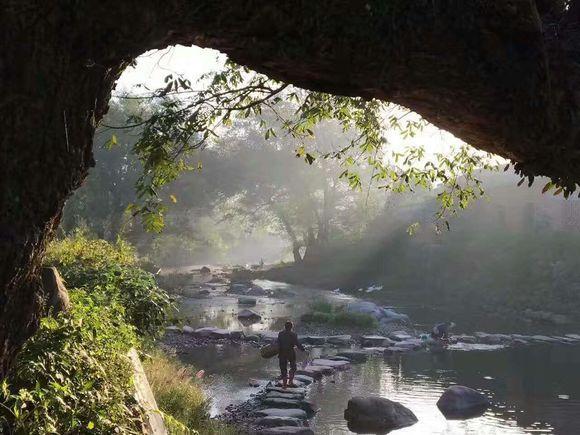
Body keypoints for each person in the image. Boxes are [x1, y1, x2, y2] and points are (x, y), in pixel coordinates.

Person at [277, 320, 305, 388]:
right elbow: (297, 344)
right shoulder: (293, 334)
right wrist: (303, 349)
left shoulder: (280, 334)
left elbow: (278, 343)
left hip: (282, 352)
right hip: (290, 352)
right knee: (293, 367)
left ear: (285, 327)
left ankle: (284, 385)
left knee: (283, 368)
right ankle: (290, 381)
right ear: (291, 327)